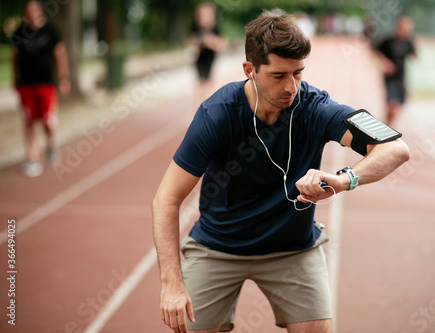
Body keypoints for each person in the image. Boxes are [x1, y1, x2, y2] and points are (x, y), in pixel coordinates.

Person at [153, 10, 410, 333]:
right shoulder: (216, 115)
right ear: (250, 70)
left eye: (298, 73)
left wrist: (344, 179)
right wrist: (171, 284)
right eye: (278, 76)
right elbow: (166, 199)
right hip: (219, 245)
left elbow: (396, 148)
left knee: (317, 329)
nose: (291, 87)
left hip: (292, 248)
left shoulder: (314, 106)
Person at [10, 0, 71, 177]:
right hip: (26, 84)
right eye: (28, 10)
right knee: (28, 121)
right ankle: (32, 157)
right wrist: (15, 79)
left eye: (35, 9)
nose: (32, 13)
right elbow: (15, 57)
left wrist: (63, 78)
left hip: (46, 83)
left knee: (47, 120)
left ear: (40, 10)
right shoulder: (19, 32)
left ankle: (51, 143)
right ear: (25, 12)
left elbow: (60, 55)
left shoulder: (51, 30)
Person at [374, 15, 417, 127]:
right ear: (398, 28)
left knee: (397, 109)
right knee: (392, 107)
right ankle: (386, 129)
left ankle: (387, 127)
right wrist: (385, 63)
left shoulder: (408, 42)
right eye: (404, 29)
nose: (406, 32)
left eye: (408, 30)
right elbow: (376, 52)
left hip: (401, 79)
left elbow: (414, 54)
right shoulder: (388, 41)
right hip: (390, 79)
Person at [188, 2, 227, 102]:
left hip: (211, 58)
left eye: (209, 15)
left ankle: (205, 102)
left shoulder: (215, 28)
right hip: (200, 59)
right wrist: (201, 43)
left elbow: (222, 44)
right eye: (204, 15)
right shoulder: (195, 28)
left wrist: (211, 42)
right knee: (202, 82)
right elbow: (191, 42)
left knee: (209, 82)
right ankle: (201, 104)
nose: (207, 18)